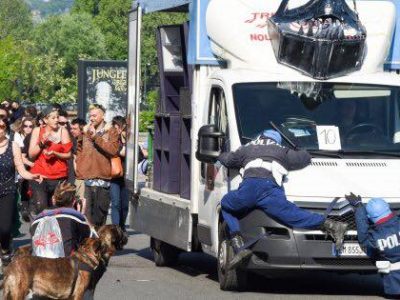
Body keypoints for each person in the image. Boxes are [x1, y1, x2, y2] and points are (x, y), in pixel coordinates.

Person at [218, 129, 348, 269]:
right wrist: (298, 146)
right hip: (270, 190)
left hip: (249, 189)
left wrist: (220, 155)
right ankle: (332, 225)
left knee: (226, 204)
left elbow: (228, 160)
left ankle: (239, 245)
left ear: (260, 137)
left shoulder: (247, 148)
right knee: (293, 215)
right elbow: (304, 158)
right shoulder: (283, 151)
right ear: (277, 141)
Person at [0, 116, 42, 268]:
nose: (0, 129)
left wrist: (32, 175)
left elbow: (21, 169)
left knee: (4, 228)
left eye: (2, 127)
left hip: (7, 191)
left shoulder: (13, 146)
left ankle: (5, 248)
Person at [347, 194, 400, 298]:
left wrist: (359, 207)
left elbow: (364, 240)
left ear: (370, 218)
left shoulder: (375, 238)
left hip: (396, 284)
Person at [76, 104, 119, 226]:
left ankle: (99, 243)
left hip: (103, 179)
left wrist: (96, 137)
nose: (91, 118)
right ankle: (88, 243)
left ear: (103, 115)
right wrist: (80, 168)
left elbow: (113, 150)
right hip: (87, 180)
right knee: (86, 217)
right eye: (90, 116)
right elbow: (79, 150)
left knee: (99, 217)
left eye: (94, 115)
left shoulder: (111, 130)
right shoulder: (86, 130)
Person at [30, 181, 94, 258]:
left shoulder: (38, 218)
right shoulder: (75, 216)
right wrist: (83, 215)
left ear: (53, 199)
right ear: (74, 201)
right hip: (64, 263)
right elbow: (92, 237)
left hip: (39, 262)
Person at [29, 106, 72, 214]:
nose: (56, 120)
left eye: (57, 117)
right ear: (45, 120)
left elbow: (68, 154)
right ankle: (39, 228)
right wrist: (42, 142)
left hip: (59, 176)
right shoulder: (37, 131)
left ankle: (54, 231)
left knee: (57, 210)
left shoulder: (63, 131)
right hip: (40, 175)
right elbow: (31, 155)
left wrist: (55, 153)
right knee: (41, 207)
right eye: (53, 118)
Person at [110, 116, 129, 232]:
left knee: (125, 206)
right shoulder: (113, 141)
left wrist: (127, 140)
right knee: (116, 203)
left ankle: (122, 227)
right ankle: (116, 229)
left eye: (117, 127)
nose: (115, 130)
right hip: (114, 176)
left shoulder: (129, 140)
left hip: (127, 176)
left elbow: (141, 155)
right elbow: (122, 152)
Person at [70, 118, 87, 201]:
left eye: (75, 129)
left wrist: (78, 173)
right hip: (76, 177)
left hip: (82, 178)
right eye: (71, 128)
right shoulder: (73, 141)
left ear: (82, 129)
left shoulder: (86, 142)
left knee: (81, 201)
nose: (72, 131)